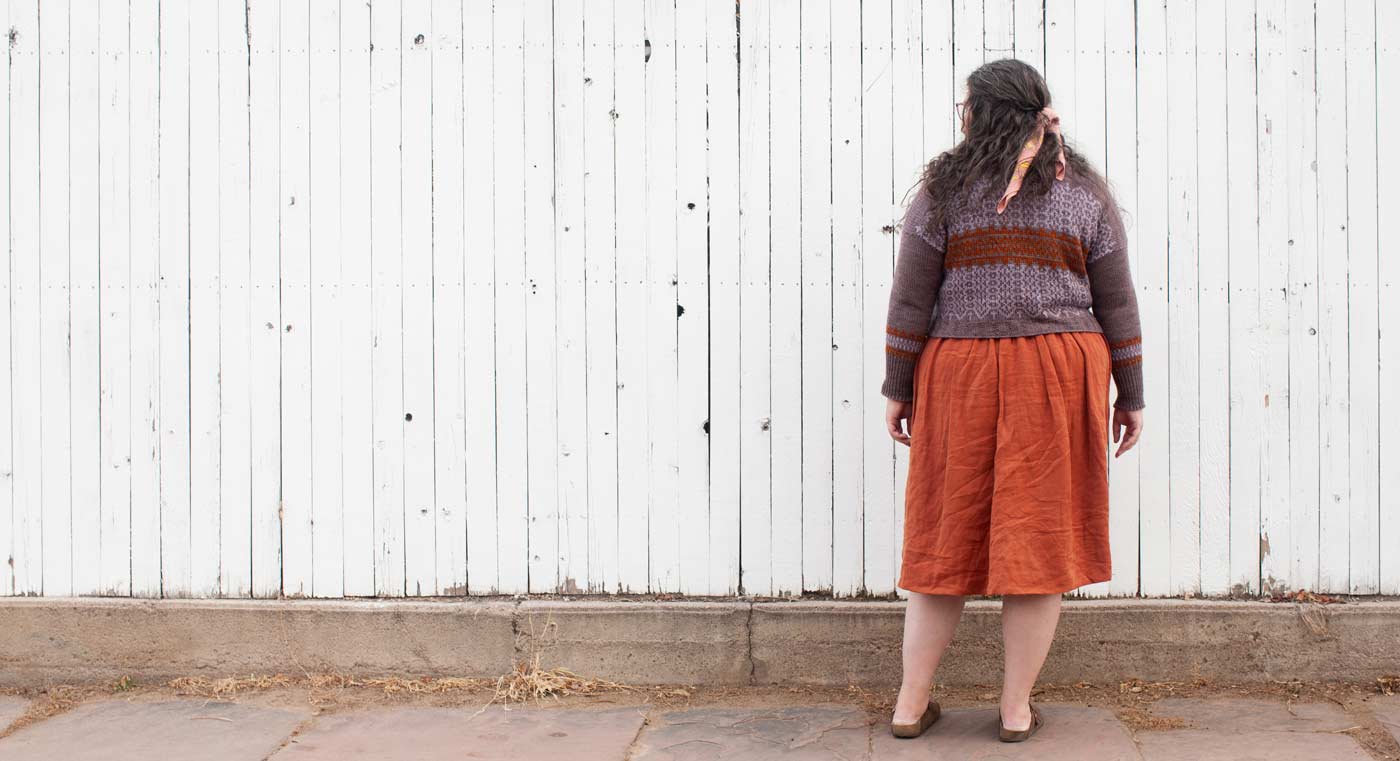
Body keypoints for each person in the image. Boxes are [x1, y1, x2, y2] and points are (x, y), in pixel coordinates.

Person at [882, 58, 1145, 744]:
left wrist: (897, 385)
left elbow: (911, 295)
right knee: (1038, 538)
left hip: (960, 372)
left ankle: (911, 705)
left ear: (982, 115)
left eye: (965, 106)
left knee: (944, 535)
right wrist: (1132, 393)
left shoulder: (943, 190)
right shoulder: (1083, 190)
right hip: (1058, 374)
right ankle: (1015, 710)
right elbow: (1116, 298)